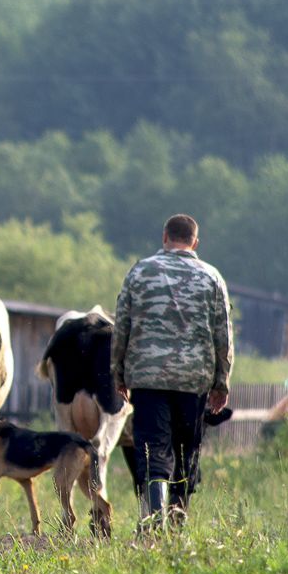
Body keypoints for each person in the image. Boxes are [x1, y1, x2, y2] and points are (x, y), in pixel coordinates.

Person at [110, 214, 233, 531]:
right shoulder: (212, 277)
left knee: (152, 448)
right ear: (195, 242)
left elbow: (121, 325)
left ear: (165, 237)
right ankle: (178, 521)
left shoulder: (140, 272)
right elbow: (223, 335)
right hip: (194, 380)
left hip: (148, 377)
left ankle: (153, 523)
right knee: (186, 449)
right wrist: (222, 383)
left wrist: (117, 373)